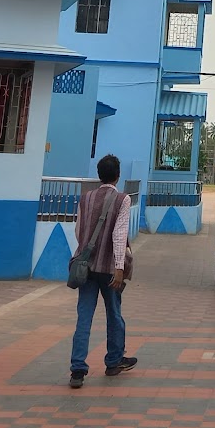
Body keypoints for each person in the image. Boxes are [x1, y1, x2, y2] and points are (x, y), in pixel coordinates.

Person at [68, 154, 136, 389]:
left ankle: (78, 369)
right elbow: (119, 235)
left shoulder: (85, 198)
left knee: (84, 318)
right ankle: (113, 361)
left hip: (86, 268)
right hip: (108, 269)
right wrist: (119, 267)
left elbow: (79, 231)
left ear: (99, 175)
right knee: (114, 314)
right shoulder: (122, 199)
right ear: (118, 176)